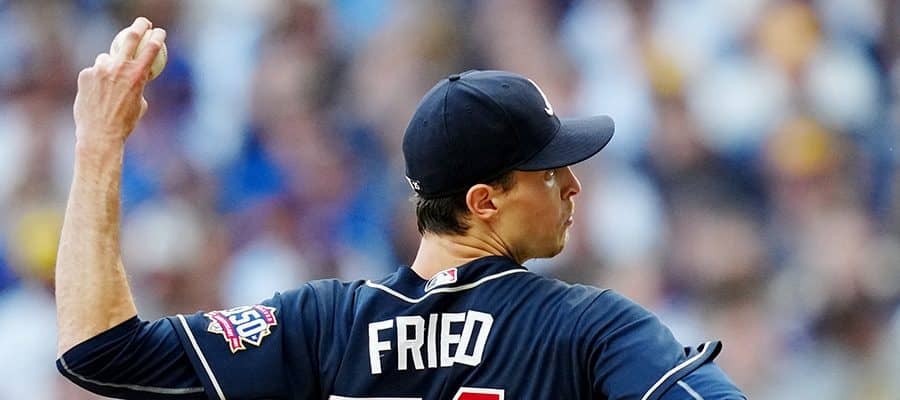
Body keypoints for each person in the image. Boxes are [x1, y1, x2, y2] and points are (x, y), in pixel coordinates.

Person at [57, 17, 746, 400]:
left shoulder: (322, 326)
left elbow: (99, 352)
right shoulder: (589, 327)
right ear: (483, 201)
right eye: (548, 172)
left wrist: (97, 147)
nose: (573, 186)